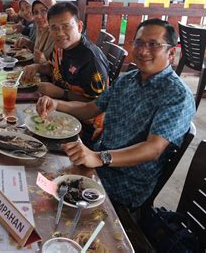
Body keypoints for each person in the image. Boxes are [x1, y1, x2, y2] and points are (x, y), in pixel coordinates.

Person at [36, 19, 195, 209]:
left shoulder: (177, 96)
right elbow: (91, 108)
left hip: (125, 182)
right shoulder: (128, 80)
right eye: (139, 43)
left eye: (153, 44)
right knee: (38, 162)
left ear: (171, 53)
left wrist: (99, 158)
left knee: (45, 192)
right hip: (97, 159)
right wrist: (56, 104)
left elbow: (153, 149)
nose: (143, 51)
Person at [24, 2, 109, 142]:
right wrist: (38, 67)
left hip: (86, 128)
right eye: (54, 28)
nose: (60, 33)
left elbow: (97, 105)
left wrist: (60, 93)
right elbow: (53, 68)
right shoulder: (60, 47)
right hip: (57, 110)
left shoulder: (91, 60)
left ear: (80, 26)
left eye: (66, 26)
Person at [14, 0, 56, 64]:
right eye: (36, 12)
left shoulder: (59, 34)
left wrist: (45, 63)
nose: (38, 16)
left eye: (44, 11)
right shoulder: (40, 29)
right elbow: (39, 51)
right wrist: (29, 44)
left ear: (53, 12)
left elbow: (62, 71)